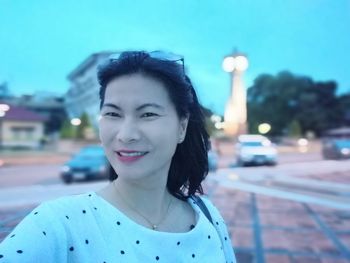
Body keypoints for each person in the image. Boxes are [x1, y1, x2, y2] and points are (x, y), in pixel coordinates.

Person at [0, 50, 236, 262]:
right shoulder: (57, 225)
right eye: (113, 113)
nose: (126, 135)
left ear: (182, 127)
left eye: (148, 114)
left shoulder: (207, 216)